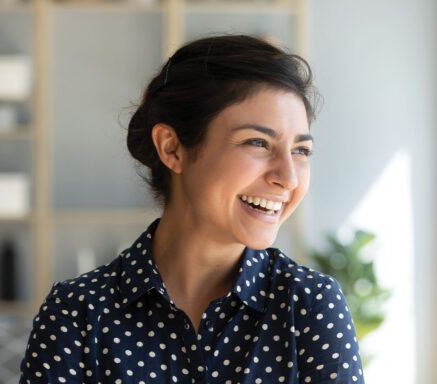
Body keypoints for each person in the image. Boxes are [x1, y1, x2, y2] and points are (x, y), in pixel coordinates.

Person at [20, 35, 364, 383]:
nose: (288, 178)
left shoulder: (310, 305)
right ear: (172, 149)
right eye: (257, 143)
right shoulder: (77, 311)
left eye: (301, 151)